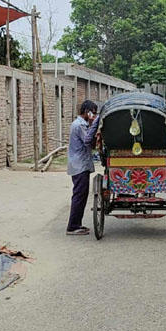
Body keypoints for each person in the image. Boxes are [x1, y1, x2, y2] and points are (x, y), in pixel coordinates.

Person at [66, 100, 99, 235]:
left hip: (81, 164)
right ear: (88, 112)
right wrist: (94, 124)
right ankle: (72, 226)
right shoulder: (80, 125)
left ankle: (77, 223)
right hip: (79, 165)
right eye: (93, 113)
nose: (94, 115)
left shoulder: (81, 124)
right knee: (79, 195)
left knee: (82, 194)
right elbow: (88, 140)